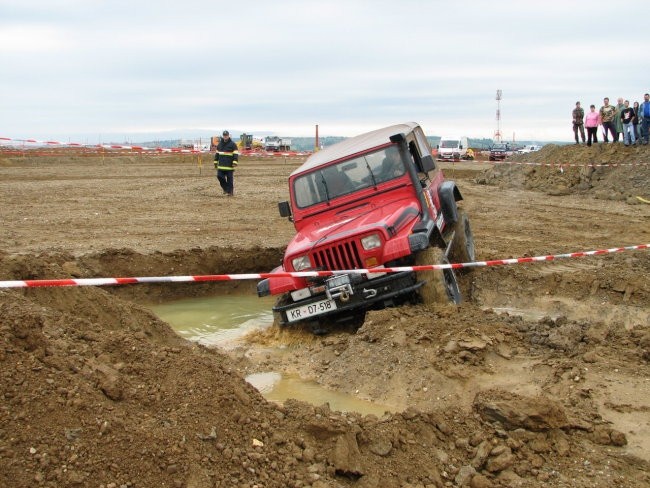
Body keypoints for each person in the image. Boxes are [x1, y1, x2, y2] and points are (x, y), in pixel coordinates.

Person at [214, 130, 239, 196]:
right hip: (221, 166)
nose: (225, 137)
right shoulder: (219, 145)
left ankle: (230, 192)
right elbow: (217, 154)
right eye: (224, 135)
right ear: (223, 136)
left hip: (229, 166)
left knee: (230, 180)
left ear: (228, 136)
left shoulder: (233, 144)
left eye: (226, 135)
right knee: (219, 176)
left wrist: (235, 162)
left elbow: (235, 154)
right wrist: (215, 162)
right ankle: (225, 189)